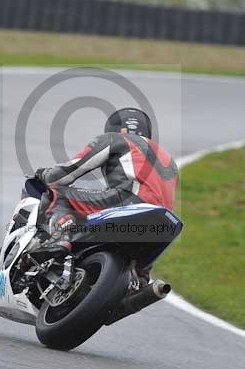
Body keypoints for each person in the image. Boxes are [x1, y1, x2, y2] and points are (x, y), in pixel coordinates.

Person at [28, 108, 179, 281]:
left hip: (128, 203)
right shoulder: (170, 160)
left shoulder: (117, 139)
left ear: (114, 127)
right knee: (139, 275)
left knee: (57, 193)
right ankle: (140, 280)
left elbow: (69, 171)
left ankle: (59, 239)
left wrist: (44, 175)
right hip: (165, 222)